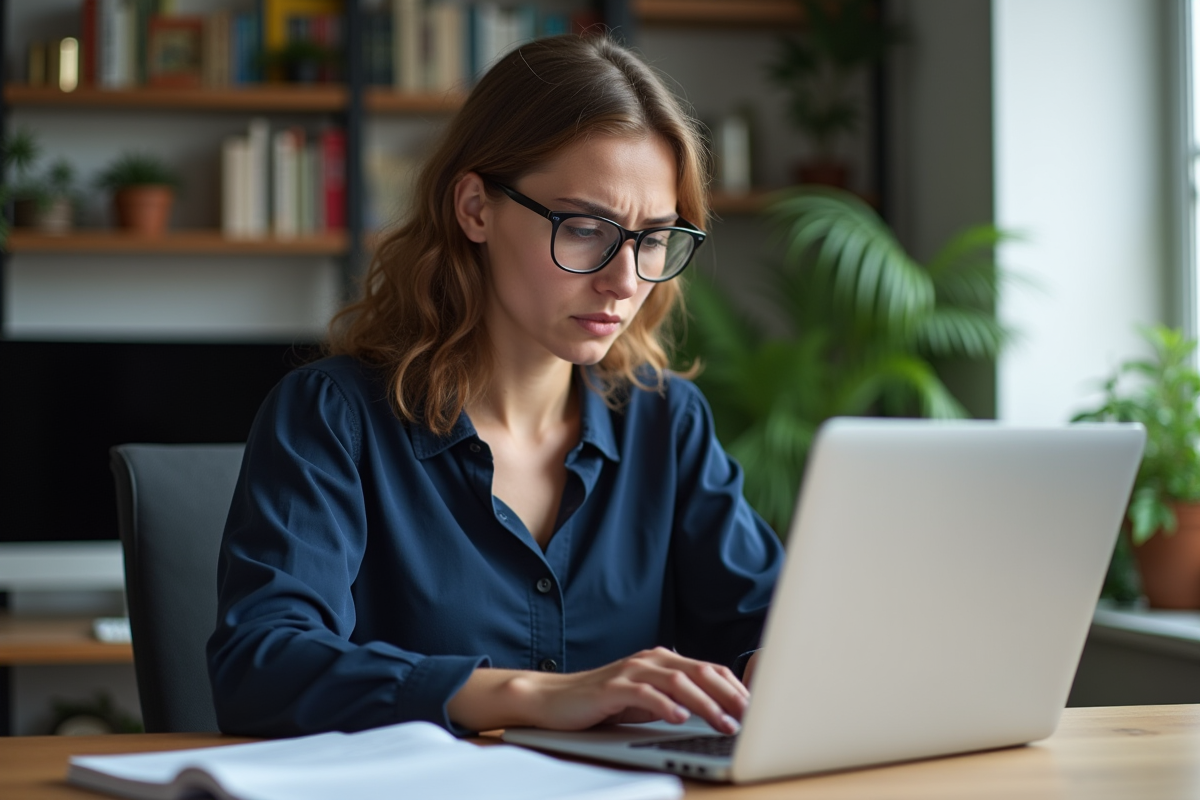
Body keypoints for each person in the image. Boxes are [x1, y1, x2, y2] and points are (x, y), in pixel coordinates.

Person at [207, 34, 784, 739]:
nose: (625, 279)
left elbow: (769, 621)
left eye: (653, 238)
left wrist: (783, 666)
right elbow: (259, 664)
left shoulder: (666, 421)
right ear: (475, 207)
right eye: (584, 228)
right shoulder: (335, 417)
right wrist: (530, 695)